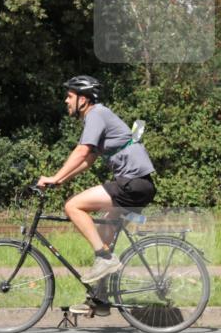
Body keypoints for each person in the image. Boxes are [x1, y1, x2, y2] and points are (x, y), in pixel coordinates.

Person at [37, 75, 156, 299]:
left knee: (73, 206)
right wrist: (61, 180)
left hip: (132, 183)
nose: (66, 101)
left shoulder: (96, 114)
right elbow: (88, 160)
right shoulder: (96, 117)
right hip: (136, 184)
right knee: (103, 235)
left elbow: (82, 152)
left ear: (83, 99)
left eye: (70, 96)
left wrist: (54, 177)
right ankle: (99, 298)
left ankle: (105, 258)